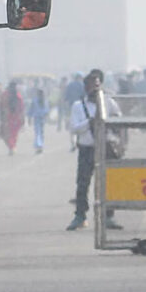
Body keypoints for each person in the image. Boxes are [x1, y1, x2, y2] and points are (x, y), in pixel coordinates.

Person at [65, 69, 110, 230]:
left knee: (107, 183)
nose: (95, 89)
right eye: (92, 86)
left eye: (97, 85)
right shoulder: (78, 106)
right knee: (83, 184)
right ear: (86, 88)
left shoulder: (108, 103)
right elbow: (74, 128)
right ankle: (80, 216)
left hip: (105, 149)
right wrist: (89, 122)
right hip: (86, 149)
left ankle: (108, 216)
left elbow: (119, 119)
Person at [0, 81, 25, 156]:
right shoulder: (18, 95)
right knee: (14, 134)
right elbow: (21, 107)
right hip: (16, 117)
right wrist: (22, 117)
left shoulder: (4, 95)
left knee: (7, 134)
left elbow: (1, 106)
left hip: (7, 117)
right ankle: (12, 147)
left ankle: (12, 147)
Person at [28, 80, 49, 153]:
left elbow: (31, 109)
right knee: (41, 132)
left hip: (37, 118)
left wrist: (29, 118)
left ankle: (39, 145)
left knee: (38, 132)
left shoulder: (35, 100)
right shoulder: (45, 101)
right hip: (42, 118)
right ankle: (40, 145)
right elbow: (47, 110)